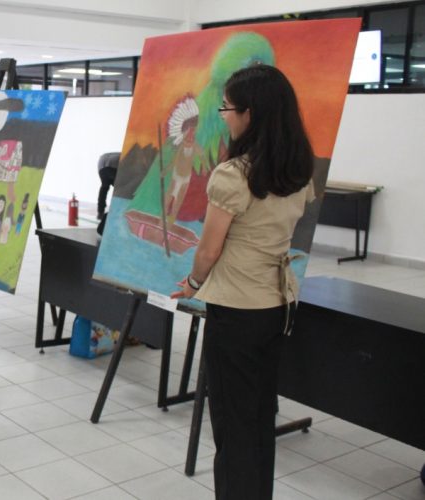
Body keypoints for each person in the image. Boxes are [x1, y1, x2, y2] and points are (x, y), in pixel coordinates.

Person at [171, 64, 314, 500]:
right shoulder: (298, 169)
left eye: (227, 108)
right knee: (257, 421)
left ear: (250, 114)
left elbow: (209, 251)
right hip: (276, 304)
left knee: (233, 429)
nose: (224, 117)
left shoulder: (235, 174)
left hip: (236, 310)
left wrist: (193, 283)